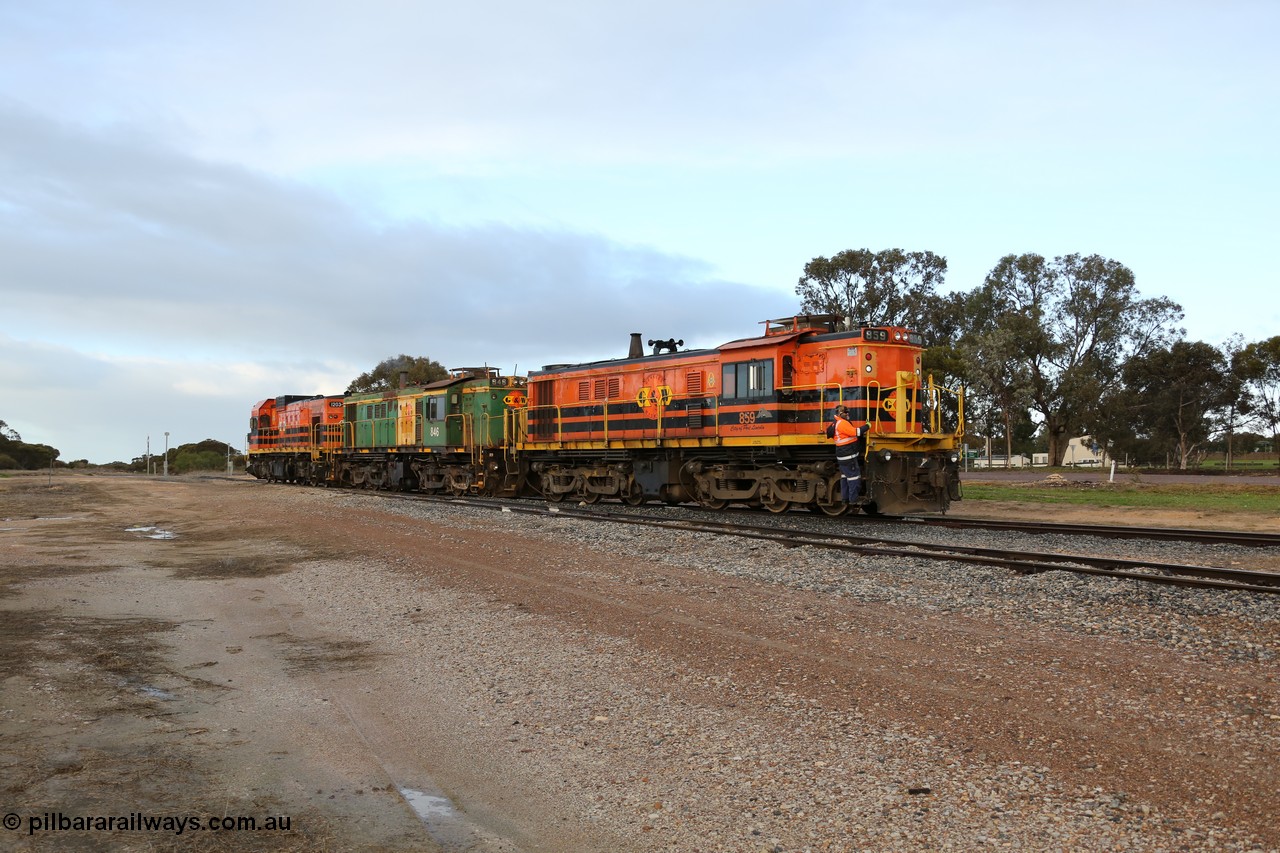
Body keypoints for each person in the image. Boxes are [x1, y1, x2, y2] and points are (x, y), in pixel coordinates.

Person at [832, 406, 869, 502]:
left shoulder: (837, 422)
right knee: (854, 478)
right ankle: (853, 499)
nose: (848, 414)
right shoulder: (842, 423)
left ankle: (845, 498)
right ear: (840, 414)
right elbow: (856, 432)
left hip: (843, 456)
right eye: (846, 412)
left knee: (845, 477)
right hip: (848, 456)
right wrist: (867, 426)